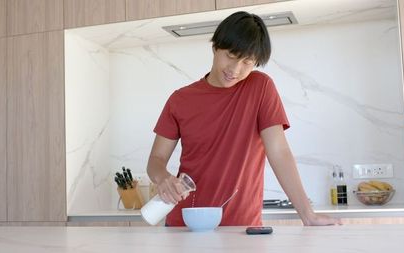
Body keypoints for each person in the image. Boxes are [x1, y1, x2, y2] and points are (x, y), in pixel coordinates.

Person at [146, 11, 342, 226]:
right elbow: (156, 160)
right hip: (186, 225)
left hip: (241, 227)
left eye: (247, 62)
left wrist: (307, 215)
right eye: (230, 55)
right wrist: (163, 178)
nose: (235, 70)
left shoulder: (260, 88)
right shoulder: (180, 100)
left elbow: (279, 152)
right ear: (215, 47)